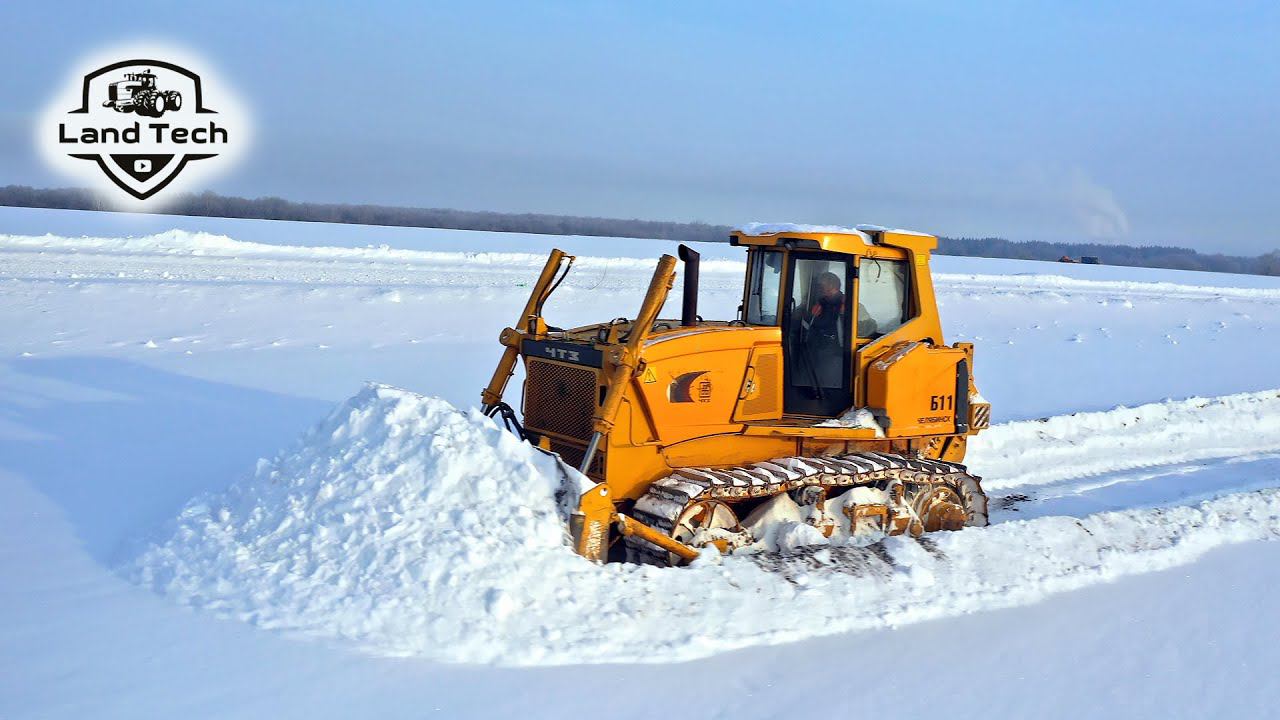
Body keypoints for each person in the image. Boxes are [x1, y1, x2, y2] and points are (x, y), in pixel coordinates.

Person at [801, 271, 845, 388]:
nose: (819, 288)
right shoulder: (821, 303)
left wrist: (804, 317)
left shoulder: (846, 303)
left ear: (831, 286)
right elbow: (810, 326)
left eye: (821, 285)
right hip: (818, 347)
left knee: (827, 381)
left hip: (836, 350)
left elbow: (824, 324)